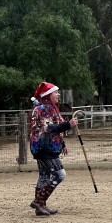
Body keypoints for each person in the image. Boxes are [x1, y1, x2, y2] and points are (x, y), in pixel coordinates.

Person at [28, 82, 77, 216]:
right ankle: (39, 201)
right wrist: (68, 125)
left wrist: (62, 144)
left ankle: (40, 207)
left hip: (45, 146)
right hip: (44, 147)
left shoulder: (50, 108)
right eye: (56, 92)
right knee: (59, 174)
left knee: (44, 176)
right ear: (48, 95)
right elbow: (48, 128)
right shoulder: (43, 109)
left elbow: (55, 127)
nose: (58, 94)